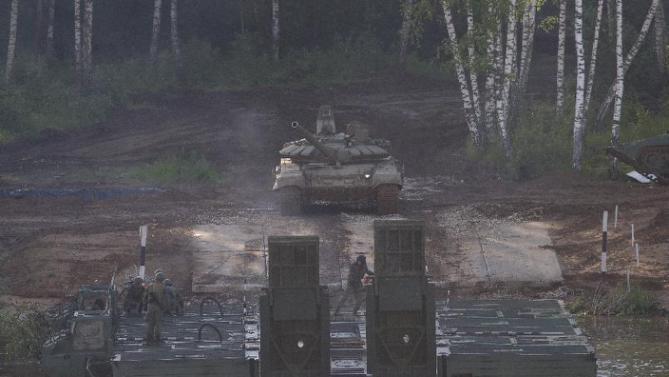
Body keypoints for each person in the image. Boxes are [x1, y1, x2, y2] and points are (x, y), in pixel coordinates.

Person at [145, 271, 166, 345]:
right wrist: (163, 306)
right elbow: (164, 298)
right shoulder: (163, 287)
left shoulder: (151, 285)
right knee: (158, 323)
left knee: (150, 323)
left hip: (150, 306)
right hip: (159, 307)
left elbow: (146, 295)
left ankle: (149, 338)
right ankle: (157, 338)